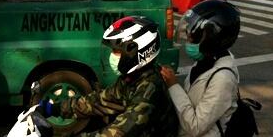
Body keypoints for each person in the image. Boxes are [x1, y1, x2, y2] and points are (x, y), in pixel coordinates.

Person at [40, 16, 179, 136]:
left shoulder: (150, 89)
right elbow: (98, 101)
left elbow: (120, 131)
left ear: (135, 51)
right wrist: (54, 108)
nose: (112, 56)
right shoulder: (132, 79)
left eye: (116, 51)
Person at [160, 0, 241, 137]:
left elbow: (195, 126)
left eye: (195, 36)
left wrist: (173, 86)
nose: (189, 39)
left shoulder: (223, 78)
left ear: (213, 38)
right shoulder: (204, 62)